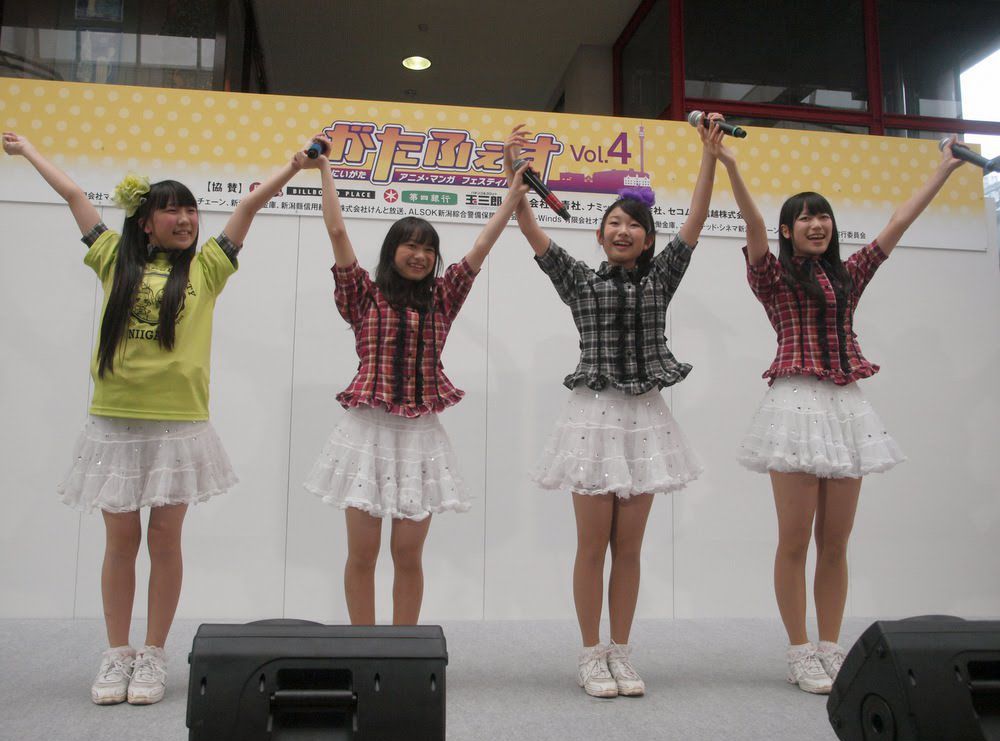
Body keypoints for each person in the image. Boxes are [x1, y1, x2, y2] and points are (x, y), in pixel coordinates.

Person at [3, 130, 305, 705]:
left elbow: (247, 206)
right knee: (121, 539)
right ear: (145, 222)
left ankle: (153, 653)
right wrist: (27, 151)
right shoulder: (112, 259)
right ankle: (117, 652)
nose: (186, 219)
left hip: (178, 425)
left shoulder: (209, 267)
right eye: (172, 210)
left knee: (165, 539)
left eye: (190, 209)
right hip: (114, 422)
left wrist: (292, 168)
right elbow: (74, 195)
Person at [710, 128, 967, 693]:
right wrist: (729, 164)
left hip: (846, 408)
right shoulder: (772, 275)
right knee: (794, 540)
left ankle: (830, 646)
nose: (816, 224)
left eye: (822, 215)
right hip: (795, 405)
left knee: (836, 541)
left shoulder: (848, 275)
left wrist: (944, 170)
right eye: (804, 217)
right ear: (788, 230)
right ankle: (799, 650)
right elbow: (753, 224)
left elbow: (897, 223)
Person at [502, 118, 724, 697]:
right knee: (591, 545)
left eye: (634, 225)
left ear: (648, 240)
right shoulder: (580, 282)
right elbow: (529, 227)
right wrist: (512, 171)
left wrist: (708, 155)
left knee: (629, 547)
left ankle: (621, 652)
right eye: (614, 224)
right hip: (593, 419)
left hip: (645, 420)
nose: (624, 231)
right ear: (600, 236)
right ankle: (589, 653)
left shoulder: (662, 280)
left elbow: (697, 219)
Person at [303, 137, 530, 625]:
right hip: (367, 433)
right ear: (392, 250)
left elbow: (481, 246)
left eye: (428, 248)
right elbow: (337, 230)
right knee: (362, 556)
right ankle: (364, 648)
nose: (420, 255)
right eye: (410, 245)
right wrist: (324, 169)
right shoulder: (362, 295)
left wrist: (513, 191)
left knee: (408, 555)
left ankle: (403, 650)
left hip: (420, 437)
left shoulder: (443, 297)